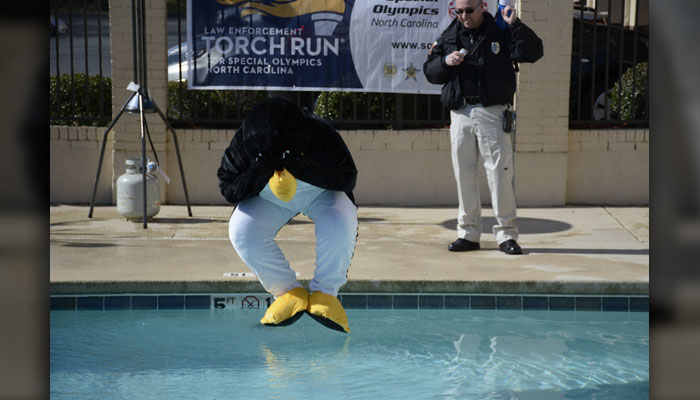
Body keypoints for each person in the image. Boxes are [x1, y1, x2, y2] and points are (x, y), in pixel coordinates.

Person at [217, 97, 358, 333]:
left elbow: (347, 177)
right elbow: (228, 189)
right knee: (242, 231)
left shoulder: (320, 132)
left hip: (320, 192)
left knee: (340, 223)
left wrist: (295, 165)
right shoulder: (244, 141)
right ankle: (288, 291)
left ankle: (325, 292)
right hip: (269, 197)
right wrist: (264, 168)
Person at [423, 0, 543, 255]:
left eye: (469, 10)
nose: (464, 16)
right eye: (459, 11)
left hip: (491, 111)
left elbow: (533, 52)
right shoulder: (450, 35)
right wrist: (446, 61)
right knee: (464, 175)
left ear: (483, 7)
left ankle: (506, 235)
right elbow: (431, 72)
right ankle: (468, 233)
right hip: (460, 112)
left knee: (499, 175)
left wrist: (516, 25)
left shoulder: (500, 30)